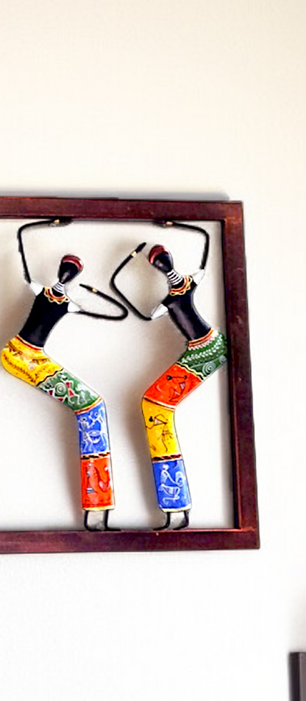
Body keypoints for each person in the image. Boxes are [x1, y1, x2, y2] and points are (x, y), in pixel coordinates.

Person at [0, 218, 126, 531]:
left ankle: (97, 510)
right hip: (26, 358)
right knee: (92, 407)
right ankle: (96, 509)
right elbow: (117, 311)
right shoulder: (63, 302)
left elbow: (23, 251)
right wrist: (93, 293)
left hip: (21, 355)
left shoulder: (47, 293)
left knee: (92, 407)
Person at [110, 220, 227, 530]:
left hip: (206, 350)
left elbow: (148, 314)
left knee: (156, 407)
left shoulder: (174, 296)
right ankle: (175, 508)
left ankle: (176, 507)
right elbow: (204, 247)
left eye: (161, 263)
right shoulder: (186, 285)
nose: (163, 267)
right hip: (206, 347)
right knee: (155, 408)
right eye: (161, 264)